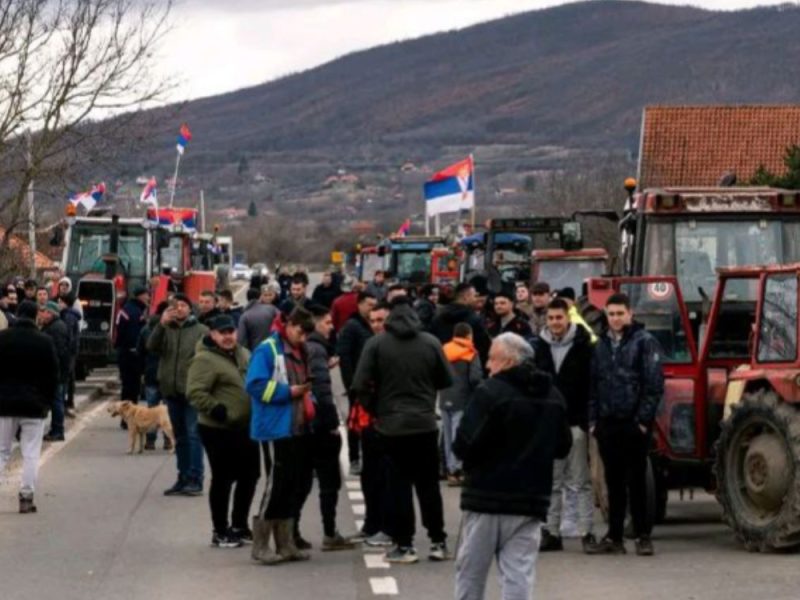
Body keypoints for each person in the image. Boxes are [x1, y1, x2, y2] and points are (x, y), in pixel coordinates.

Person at [453, 332, 572, 600]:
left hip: (486, 498)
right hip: (530, 501)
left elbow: (462, 445)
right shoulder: (553, 395)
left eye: (491, 358)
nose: (487, 365)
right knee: (518, 574)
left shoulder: (490, 392)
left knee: (471, 572)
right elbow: (563, 446)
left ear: (507, 361)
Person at [352, 296, 453, 564]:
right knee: (429, 485)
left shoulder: (376, 344)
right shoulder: (430, 342)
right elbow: (446, 379)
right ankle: (438, 541)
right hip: (424, 423)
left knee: (399, 487)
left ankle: (405, 544)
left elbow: (359, 384)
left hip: (391, 425)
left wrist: (376, 410)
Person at [586, 293, 664, 557]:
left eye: (620, 313)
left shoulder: (645, 342)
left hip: (634, 425)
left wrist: (643, 421)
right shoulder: (600, 346)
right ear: (606, 315)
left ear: (630, 313)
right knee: (613, 482)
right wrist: (594, 421)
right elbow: (594, 385)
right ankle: (614, 537)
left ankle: (642, 536)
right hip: (607, 424)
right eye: (612, 314)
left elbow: (653, 385)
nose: (616, 318)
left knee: (637, 481)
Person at [246, 307, 315, 565]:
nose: (304, 337)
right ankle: (261, 545)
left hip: (296, 427)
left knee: (290, 486)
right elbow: (254, 385)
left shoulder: (300, 349)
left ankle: (285, 544)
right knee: (275, 487)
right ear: (289, 324)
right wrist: (288, 392)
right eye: (300, 331)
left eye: (307, 333)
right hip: (274, 428)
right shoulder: (267, 350)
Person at [187, 314, 259, 549]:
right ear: (212, 334)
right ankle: (220, 530)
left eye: (231, 331)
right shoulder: (204, 359)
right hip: (217, 428)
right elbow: (195, 391)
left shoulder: (244, 353)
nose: (228, 336)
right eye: (222, 332)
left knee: (250, 475)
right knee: (224, 478)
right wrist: (216, 409)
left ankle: (239, 524)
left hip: (245, 426)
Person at [533, 297, 596, 552]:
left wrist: (586, 421)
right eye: (551, 318)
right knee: (552, 482)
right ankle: (551, 532)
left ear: (568, 318)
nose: (555, 323)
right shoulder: (538, 348)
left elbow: (592, 385)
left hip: (575, 423)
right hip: (548, 426)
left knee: (580, 480)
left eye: (559, 318)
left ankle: (587, 533)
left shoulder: (585, 347)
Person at [295, 304, 356, 551]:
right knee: (329, 483)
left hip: (302, 425)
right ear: (316, 323)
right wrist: (331, 423)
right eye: (328, 323)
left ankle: (293, 531)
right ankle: (330, 533)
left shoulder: (302, 347)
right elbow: (320, 388)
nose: (332, 327)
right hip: (319, 425)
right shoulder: (316, 349)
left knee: (301, 482)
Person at [147, 294, 209, 496]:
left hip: (192, 391)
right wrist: (161, 325)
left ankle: (195, 478)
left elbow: (208, 359)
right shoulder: (166, 329)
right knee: (179, 436)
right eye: (176, 306)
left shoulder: (201, 331)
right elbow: (151, 347)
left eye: (184, 305)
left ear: (191, 309)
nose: (180, 309)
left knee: (193, 435)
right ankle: (182, 477)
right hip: (171, 390)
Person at [0, 301, 59, 514]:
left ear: (17, 314)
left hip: (4, 403)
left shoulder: (3, 339)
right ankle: (26, 497)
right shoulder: (45, 341)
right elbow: (53, 375)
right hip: (34, 404)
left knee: (2, 450)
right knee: (31, 452)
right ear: (36, 316)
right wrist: (48, 401)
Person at [336, 291, 377, 475]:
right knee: (355, 423)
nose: (372, 309)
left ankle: (370, 456)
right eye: (369, 304)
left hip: (374, 385)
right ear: (359, 304)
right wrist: (351, 384)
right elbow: (345, 357)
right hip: (357, 385)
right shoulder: (352, 327)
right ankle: (354, 458)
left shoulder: (374, 325)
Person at [440, 322, 482, 486]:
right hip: (462, 398)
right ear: (469, 335)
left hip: (444, 398)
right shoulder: (471, 353)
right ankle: (456, 469)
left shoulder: (444, 350)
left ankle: (449, 469)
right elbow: (475, 378)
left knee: (448, 434)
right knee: (458, 435)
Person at [430, 282, 491, 367]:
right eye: (474, 296)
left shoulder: (438, 315)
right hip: (466, 367)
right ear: (466, 297)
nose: (475, 299)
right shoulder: (474, 319)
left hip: (442, 364)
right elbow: (483, 347)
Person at [138, 302, 172, 451]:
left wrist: (143, 370)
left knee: (151, 410)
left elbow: (140, 351)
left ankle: (150, 441)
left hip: (151, 372)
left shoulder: (146, 328)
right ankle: (168, 440)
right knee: (167, 410)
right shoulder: (172, 329)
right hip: (167, 375)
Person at [39, 301, 70, 442]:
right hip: (56, 371)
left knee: (56, 401)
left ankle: (57, 430)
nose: (42, 314)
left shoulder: (56, 328)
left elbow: (57, 352)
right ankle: (56, 429)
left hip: (55, 372)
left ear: (51, 313)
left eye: (44, 311)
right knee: (56, 400)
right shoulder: (53, 326)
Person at [115, 285, 150, 403]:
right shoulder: (136, 312)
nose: (148, 298)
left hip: (125, 353)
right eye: (146, 295)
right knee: (132, 387)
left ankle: (127, 417)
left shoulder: (127, 309)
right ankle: (128, 417)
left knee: (128, 386)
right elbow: (134, 335)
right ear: (140, 296)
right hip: (131, 354)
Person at [57, 293, 81, 417]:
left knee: (64, 380)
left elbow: (69, 337)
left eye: (60, 302)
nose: (58, 304)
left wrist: (65, 351)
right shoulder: (70, 315)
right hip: (71, 353)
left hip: (67, 354)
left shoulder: (68, 317)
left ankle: (63, 406)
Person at [237, 284, 280, 351]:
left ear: (274, 295)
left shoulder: (277, 308)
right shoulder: (273, 309)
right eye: (265, 295)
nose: (268, 298)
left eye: (270, 295)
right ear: (261, 296)